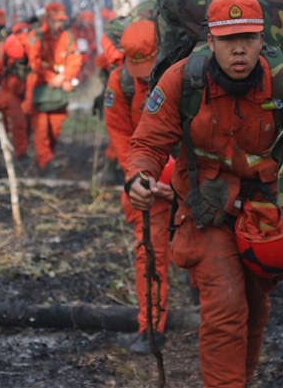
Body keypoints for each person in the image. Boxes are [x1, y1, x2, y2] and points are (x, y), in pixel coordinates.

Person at [127, 0, 283, 388]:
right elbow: (148, 144)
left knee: (256, 310)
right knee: (226, 305)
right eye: (227, 39)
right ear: (210, 42)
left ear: (262, 41)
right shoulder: (181, 81)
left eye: (248, 37)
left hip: (263, 218)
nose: (238, 48)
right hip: (206, 211)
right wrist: (139, 176)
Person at [104, 20, 174, 354]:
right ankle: (151, 328)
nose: (145, 75)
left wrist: (174, 177)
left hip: (193, 177)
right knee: (149, 249)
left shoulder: (183, 74)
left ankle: (214, 314)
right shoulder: (120, 84)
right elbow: (121, 139)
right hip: (147, 178)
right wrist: (139, 180)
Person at [23, 2, 81, 178]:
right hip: (38, 90)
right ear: (47, 19)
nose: (59, 24)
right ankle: (45, 165)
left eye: (61, 21)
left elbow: (75, 59)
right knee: (41, 131)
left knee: (55, 130)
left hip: (58, 92)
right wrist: (53, 79)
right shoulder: (35, 36)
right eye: (55, 20)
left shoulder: (67, 36)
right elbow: (35, 63)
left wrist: (63, 78)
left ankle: (47, 158)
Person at [0, 22, 32, 166]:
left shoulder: (33, 43)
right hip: (9, 92)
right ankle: (21, 154)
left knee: (29, 121)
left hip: (28, 89)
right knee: (19, 120)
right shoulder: (3, 47)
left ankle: (23, 148)